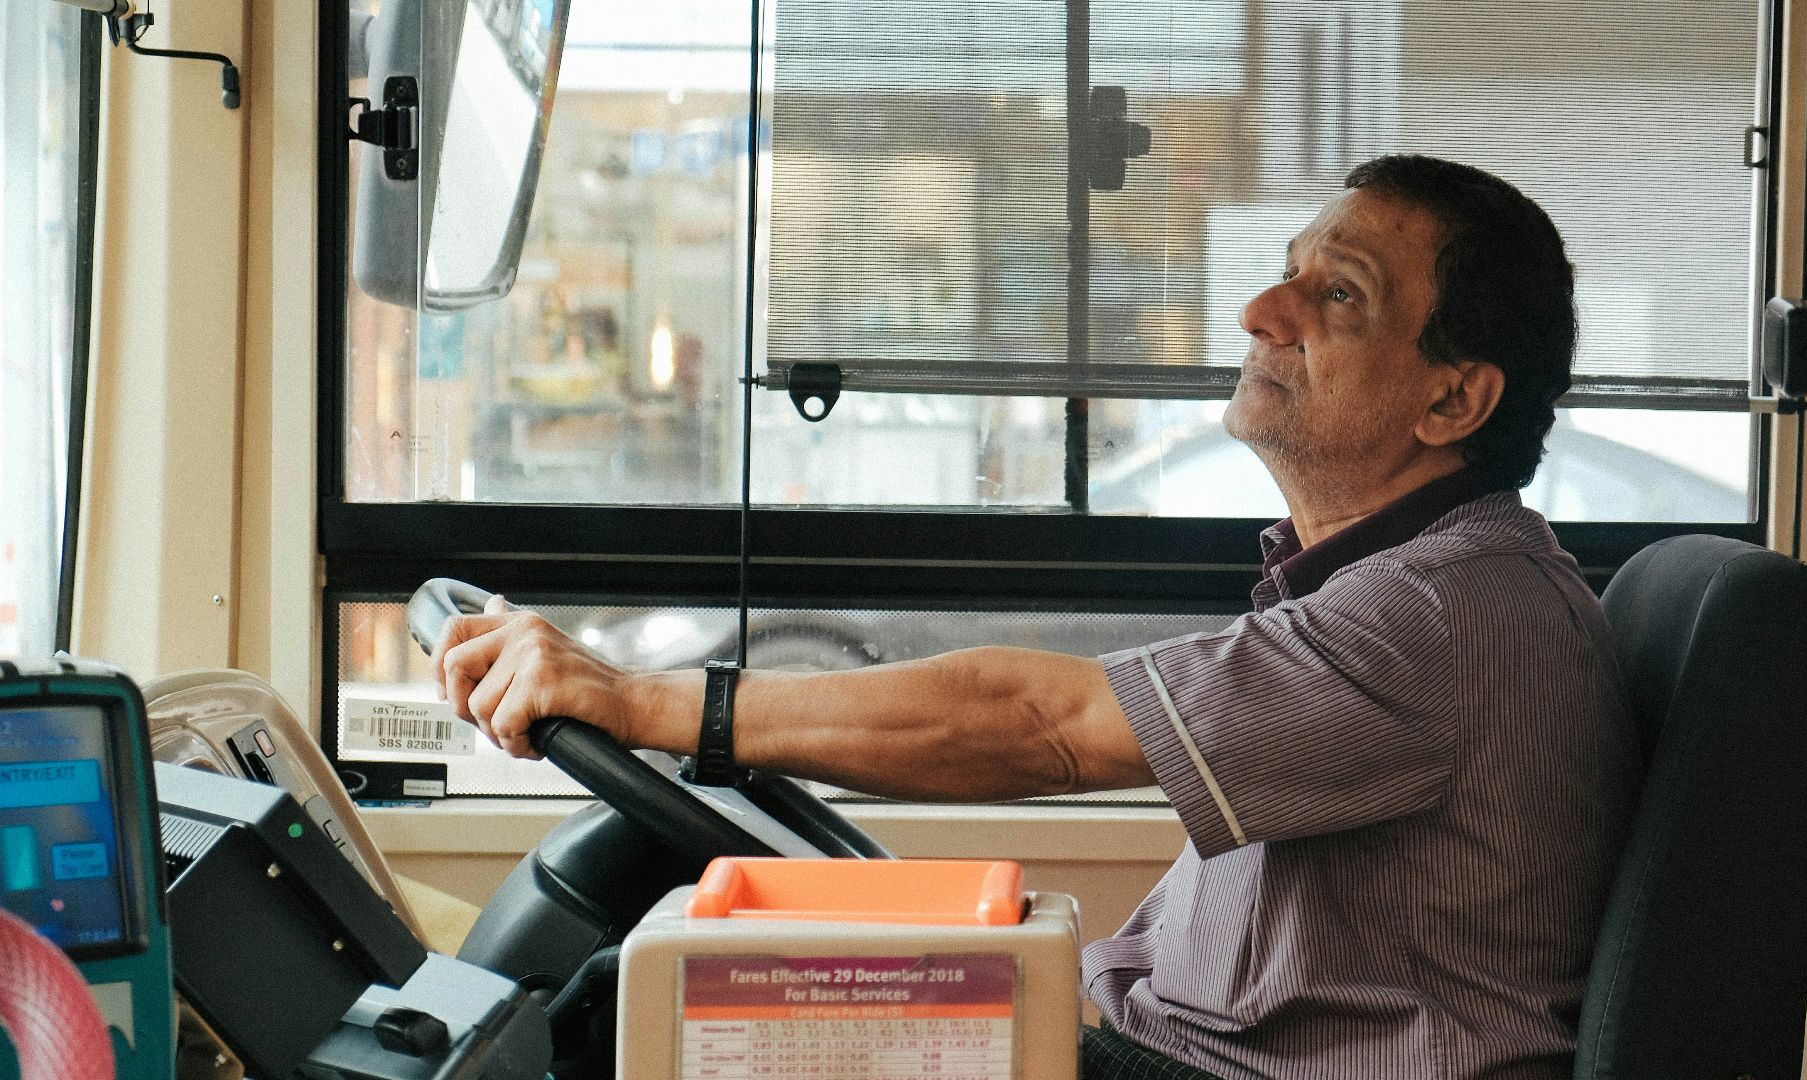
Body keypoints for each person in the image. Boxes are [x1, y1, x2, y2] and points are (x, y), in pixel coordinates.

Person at [434, 154, 1639, 1080]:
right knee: (669, 980)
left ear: (1453, 399)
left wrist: (642, 702)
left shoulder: (1439, 614)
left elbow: (1041, 726)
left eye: (1337, 295)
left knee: (627, 1008)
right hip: (1154, 1048)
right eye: (1287, 270)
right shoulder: (1406, 584)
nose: (1262, 310)